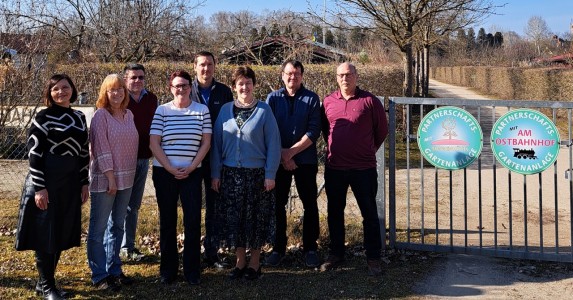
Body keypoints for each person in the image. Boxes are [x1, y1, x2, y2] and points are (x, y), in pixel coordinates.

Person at [15, 74, 89, 300]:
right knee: (45, 233)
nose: (61, 92)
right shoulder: (43, 117)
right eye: (56, 89)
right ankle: (48, 287)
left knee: (60, 231)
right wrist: (39, 188)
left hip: (69, 183)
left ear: (72, 90)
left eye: (65, 87)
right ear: (49, 93)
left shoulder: (79, 117)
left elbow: (84, 152)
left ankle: (43, 283)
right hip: (46, 182)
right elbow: (34, 153)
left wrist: (84, 182)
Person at [211, 66, 281, 280]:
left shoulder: (263, 110)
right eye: (240, 83)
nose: (244, 87)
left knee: (256, 219)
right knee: (235, 220)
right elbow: (216, 144)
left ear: (254, 85)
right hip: (231, 175)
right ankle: (240, 262)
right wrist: (216, 173)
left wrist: (270, 174)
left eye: (248, 83)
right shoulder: (224, 110)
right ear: (234, 86)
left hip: (257, 176)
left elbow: (274, 144)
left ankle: (255, 263)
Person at [319, 62, 388, 276]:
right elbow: (325, 130)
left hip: (363, 168)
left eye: (348, 74)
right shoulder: (328, 101)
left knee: (369, 213)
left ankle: (373, 257)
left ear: (356, 76)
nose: (344, 79)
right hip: (335, 168)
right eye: (340, 75)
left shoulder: (370, 101)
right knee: (334, 212)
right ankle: (336, 253)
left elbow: (382, 131)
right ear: (336, 77)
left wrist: (366, 149)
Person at [150, 70, 211, 286]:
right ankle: (168, 270)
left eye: (185, 85)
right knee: (167, 221)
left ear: (190, 87)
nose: (181, 89)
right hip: (164, 173)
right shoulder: (162, 110)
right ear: (171, 88)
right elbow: (154, 143)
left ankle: (192, 270)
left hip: (193, 173)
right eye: (177, 85)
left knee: (193, 221)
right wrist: (170, 168)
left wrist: (192, 167)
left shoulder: (201, 110)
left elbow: (206, 142)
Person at [265, 60, 321, 268]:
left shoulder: (312, 99)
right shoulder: (272, 99)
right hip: (277, 161)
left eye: (297, 74)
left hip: (304, 161)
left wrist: (291, 154)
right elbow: (268, 130)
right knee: (277, 205)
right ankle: (278, 248)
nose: (292, 77)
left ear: (302, 76)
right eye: (289, 73)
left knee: (310, 204)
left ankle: (311, 248)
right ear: (282, 75)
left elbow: (314, 131)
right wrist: (281, 155)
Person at [87, 74, 138, 292]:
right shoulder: (101, 116)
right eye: (111, 90)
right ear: (104, 93)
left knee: (117, 226)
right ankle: (99, 275)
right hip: (106, 180)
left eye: (119, 89)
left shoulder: (129, 115)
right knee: (98, 229)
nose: (116, 93)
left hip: (127, 179)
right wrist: (110, 177)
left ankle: (114, 269)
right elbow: (101, 149)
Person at [189, 51, 233, 268]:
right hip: (191, 159)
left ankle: (212, 252)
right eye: (202, 65)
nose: (206, 69)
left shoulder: (224, 92)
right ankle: (192, 253)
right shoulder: (187, 90)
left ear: (215, 66)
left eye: (209, 64)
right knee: (193, 205)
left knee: (215, 208)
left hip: (217, 158)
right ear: (195, 67)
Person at [119, 63, 158, 261]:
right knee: (118, 204)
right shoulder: (119, 98)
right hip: (123, 159)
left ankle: (128, 246)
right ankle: (114, 245)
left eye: (141, 77)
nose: (137, 81)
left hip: (143, 158)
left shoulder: (151, 99)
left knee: (133, 205)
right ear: (125, 79)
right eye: (133, 77)